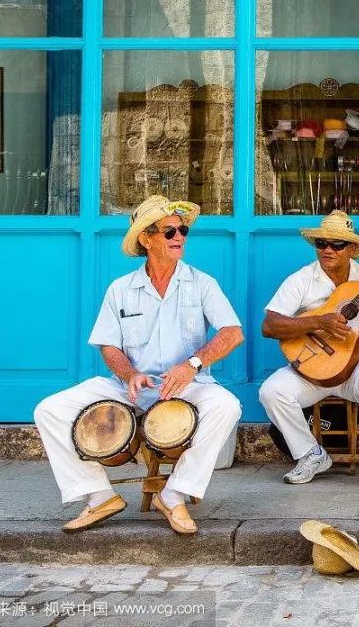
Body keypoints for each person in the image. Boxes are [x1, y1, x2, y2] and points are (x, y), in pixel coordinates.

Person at [34, 196, 245, 534]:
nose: (179, 237)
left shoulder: (201, 283)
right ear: (147, 239)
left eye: (183, 230)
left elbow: (233, 334)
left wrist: (192, 364)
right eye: (169, 231)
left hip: (187, 385)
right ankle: (98, 495)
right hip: (127, 387)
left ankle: (173, 494)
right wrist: (130, 374)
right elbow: (108, 345)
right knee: (49, 410)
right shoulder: (121, 289)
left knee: (228, 406)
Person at [259, 210, 359, 492]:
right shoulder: (302, 279)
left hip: (358, 364)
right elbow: (269, 326)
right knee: (271, 391)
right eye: (322, 244)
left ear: (352, 249)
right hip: (313, 367)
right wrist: (319, 321)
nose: (328, 250)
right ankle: (311, 454)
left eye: (337, 244)